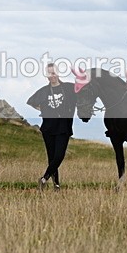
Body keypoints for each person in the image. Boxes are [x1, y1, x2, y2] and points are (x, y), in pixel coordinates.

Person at [27, 62, 77, 191]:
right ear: (46, 75)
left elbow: (83, 92)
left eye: (54, 72)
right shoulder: (44, 91)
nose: (52, 76)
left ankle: (44, 178)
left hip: (64, 127)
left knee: (59, 155)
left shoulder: (69, 88)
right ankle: (56, 185)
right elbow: (30, 101)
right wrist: (42, 109)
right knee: (51, 157)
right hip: (48, 128)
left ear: (58, 73)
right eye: (49, 73)